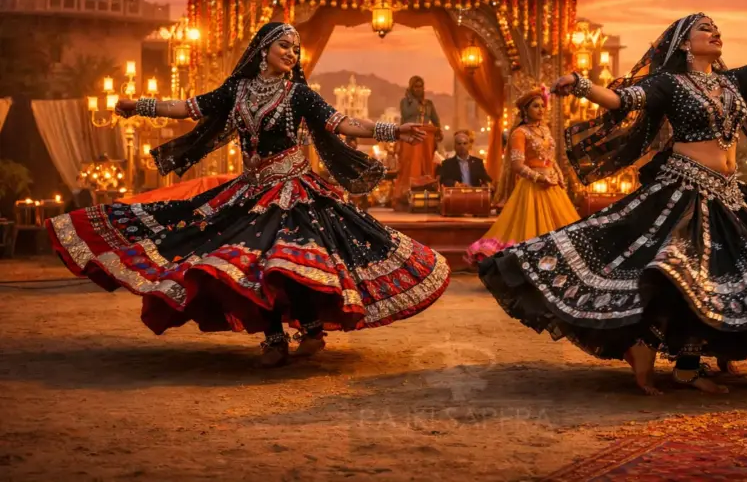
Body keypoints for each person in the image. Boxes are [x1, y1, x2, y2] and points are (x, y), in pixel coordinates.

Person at [478, 0, 747, 395]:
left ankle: (690, 363)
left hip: (730, 192)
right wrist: (583, 85)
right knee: (680, 278)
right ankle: (672, 363)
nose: (715, 32)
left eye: (717, 27)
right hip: (683, 190)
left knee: (732, 277)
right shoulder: (669, 84)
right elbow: (621, 100)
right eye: (705, 27)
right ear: (685, 42)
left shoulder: (731, 82)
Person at [46, 22, 450, 368]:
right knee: (248, 266)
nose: (291, 53)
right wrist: (141, 106)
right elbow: (190, 107)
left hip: (295, 193)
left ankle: (310, 329)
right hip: (249, 192)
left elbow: (341, 122)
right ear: (263, 49)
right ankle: (274, 338)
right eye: (284, 46)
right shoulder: (236, 91)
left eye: (295, 48)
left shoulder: (299, 94)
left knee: (284, 262)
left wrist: (392, 131)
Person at [466, 87, 580, 265]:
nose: (541, 109)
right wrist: (540, 178)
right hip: (532, 187)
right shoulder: (519, 133)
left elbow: (550, 158)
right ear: (525, 110)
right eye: (536, 106)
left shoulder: (545, 129)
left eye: (543, 105)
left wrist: (558, 175)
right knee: (529, 230)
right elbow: (517, 165)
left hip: (553, 186)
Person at [393, 76, 442, 206]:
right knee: (409, 165)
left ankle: (426, 195)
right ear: (411, 88)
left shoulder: (429, 103)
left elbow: (436, 120)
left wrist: (438, 131)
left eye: (421, 86)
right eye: (416, 86)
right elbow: (406, 115)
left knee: (426, 165)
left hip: (426, 140)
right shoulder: (405, 102)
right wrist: (413, 100)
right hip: (409, 138)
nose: (419, 89)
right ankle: (405, 195)